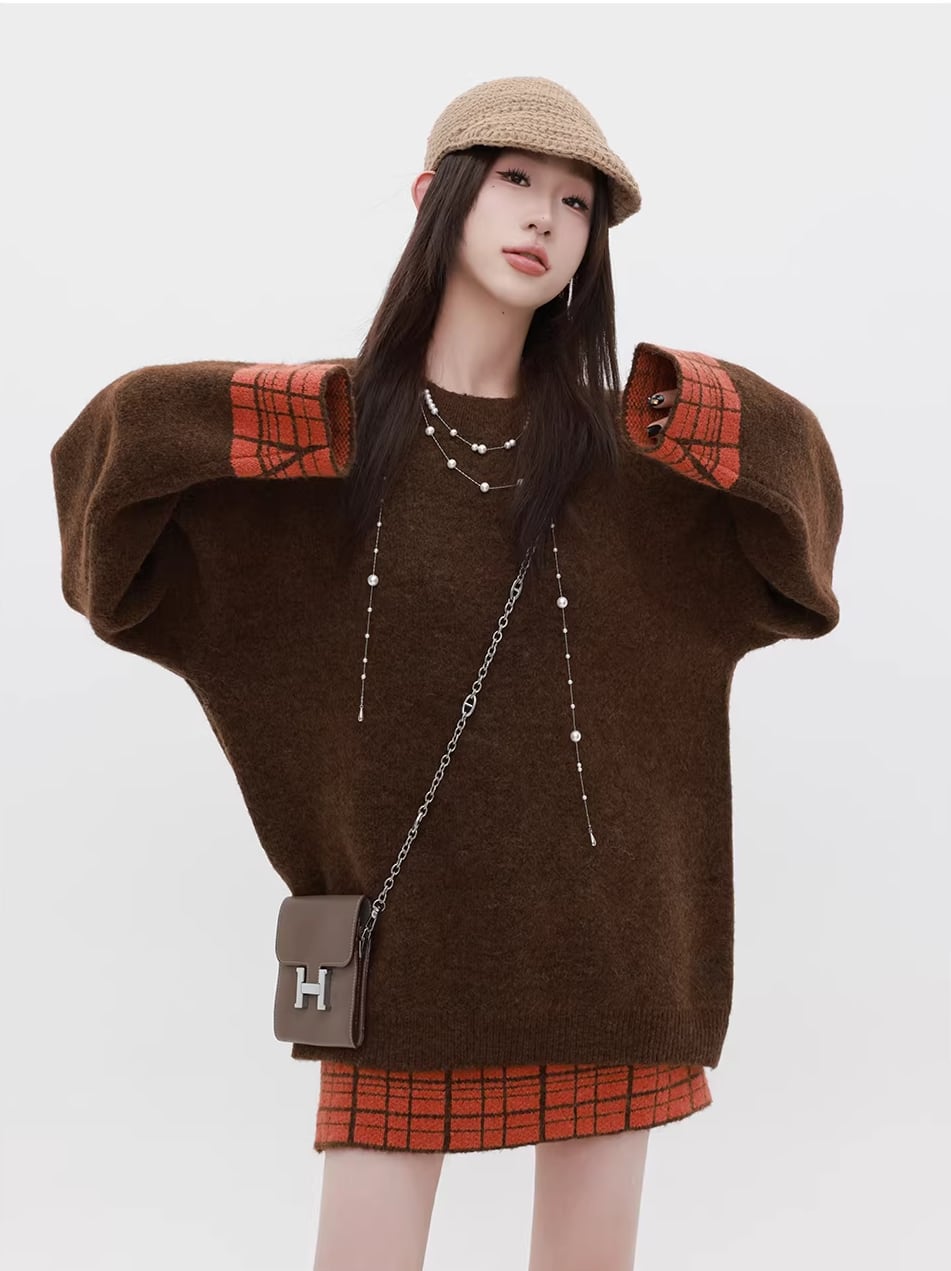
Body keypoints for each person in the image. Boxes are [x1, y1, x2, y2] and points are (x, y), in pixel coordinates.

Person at [50, 76, 844, 1271]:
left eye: (574, 202)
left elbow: (802, 544)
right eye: (515, 180)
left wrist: (682, 403)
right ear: (436, 196)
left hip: (612, 954)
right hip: (405, 967)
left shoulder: (626, 463)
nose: (543, 218)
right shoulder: (333, 447)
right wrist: (295, 413)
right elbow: (105, 510)